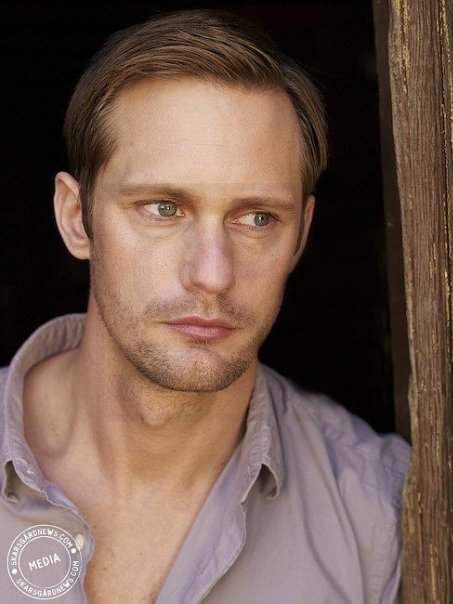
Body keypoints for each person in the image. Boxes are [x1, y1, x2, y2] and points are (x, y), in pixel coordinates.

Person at [0, 9, 409, 603]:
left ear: (300, 235)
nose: (212, 275)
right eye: (163, 209)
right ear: (75, 218)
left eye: (257, 218)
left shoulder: (380, 514)